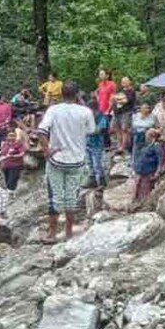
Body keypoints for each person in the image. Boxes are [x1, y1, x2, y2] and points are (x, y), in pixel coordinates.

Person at [37, 82, 96, 242]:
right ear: (77, 94)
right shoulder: (85, 111)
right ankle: (69, 232)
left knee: (54, 197)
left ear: (61, 94)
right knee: (71, 196)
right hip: (77, 160)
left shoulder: (53, 110)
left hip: (56, 159)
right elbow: (91, 130)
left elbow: (41, 131)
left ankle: (52, 234)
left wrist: (47, 150)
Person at [134, 129, 164, 204]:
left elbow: (160, 160)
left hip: (149, 171)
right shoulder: (145, 145)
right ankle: (138, 203)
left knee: (146, 190)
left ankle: (144, 204)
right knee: (138, 189)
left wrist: (158, 172)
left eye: (147, 136)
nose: (146, 137)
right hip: (141, 171)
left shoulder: (156, 146)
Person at [85, 99, 108, 189]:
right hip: (87, 143)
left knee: (97, 163)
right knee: (89, 162)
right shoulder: (88, 117)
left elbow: (98, 130)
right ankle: (92, 179)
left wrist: (85, 131)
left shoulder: (102, 117)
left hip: (97, 144)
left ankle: (101, 181)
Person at [111, 77, 137, 153]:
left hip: (126, 112)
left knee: (124, 129)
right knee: (117, 129)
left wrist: (116, 98)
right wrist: (117, 98)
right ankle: (119, 145)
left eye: (125, 81)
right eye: (122, 81)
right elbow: (113, 99)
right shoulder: (121, 91)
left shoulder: (131, 91)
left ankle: (124, 146)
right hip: (117, 112)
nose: (124, 83)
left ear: (129, 82)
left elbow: (125, 100)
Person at [130, 102, 157, 169]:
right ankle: (134, 163)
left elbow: (157, 126)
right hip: (137, 134)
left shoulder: (153, 116)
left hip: (149, 134)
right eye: (145, 108)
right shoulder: (136, 116)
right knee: (137, 138)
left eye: (148, 108)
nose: (147, 110)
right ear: (141, 109)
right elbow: (131, 126)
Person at [95, 69, 117, 149]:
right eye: (100, 74)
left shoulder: (112, 84)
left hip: (108, 108)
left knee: (105, 127)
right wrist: (97, 97)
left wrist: (109, 109)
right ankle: (104, 144)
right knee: (101, 126)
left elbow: (112, 97)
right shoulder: (100, 84)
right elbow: (99, 95)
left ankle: (107, 145)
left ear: (107, 75)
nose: (100, 76)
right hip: (101, 107)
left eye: (102, 74)